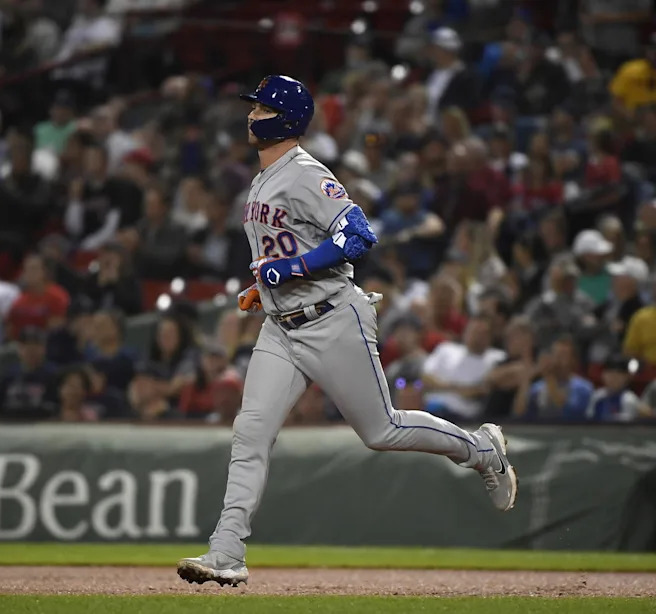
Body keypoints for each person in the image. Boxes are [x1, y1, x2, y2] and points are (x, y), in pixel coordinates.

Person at [177, 76, 517, 587]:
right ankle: (227, 552)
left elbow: (358, 235)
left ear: (287, 118)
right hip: (281, 327)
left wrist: (289, 273)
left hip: (333, 318)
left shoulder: (306, 172)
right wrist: (264, 290)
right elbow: (283, 251)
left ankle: (482, 450)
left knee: (382, 430)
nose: (251, 115)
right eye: (252, 107)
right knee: (250, 432)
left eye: (262, 108)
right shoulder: (265, 176)